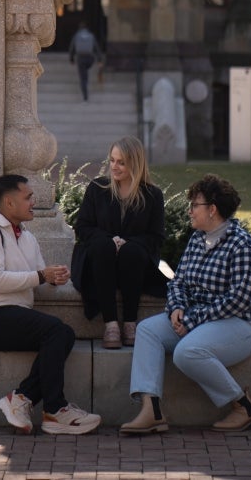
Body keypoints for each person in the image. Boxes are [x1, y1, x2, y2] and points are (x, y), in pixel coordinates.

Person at [120, 173, 251, 435]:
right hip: (197, 320)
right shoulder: (197, 239)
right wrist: (177, 308)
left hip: (240, 324)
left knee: (187, 352)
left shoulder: (242, 244)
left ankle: (244, 406)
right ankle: (152, 410)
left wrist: (192, 319)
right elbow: (179, 282)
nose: (189, 211)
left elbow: (239, 300)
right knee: (147, 330)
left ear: (212, 209)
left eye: (194, 205)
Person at [0, 173, 101, 435]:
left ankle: (22, 398)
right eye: (27, 197)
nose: (33, 201)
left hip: (15, 317)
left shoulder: (26, 236)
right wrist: (41, 276)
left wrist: (53, 277)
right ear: (8, 202)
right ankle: (55, 409)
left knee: (64, 335)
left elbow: (38, 274)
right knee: (57, 332)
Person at [72, 137, 167, 348]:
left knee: (131, 251)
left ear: (135, 163)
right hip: (99, 261)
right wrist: (110, 240)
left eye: (121, 162)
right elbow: (83, 227)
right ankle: (111, 324)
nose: (114, 167)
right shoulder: (97, 188)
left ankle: (130, 322)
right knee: (103, 246)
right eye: (112, 160)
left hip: (135, 264)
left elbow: (156, 237)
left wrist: (126, 243)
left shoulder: (152, 195)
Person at [68, 22, 103, 100]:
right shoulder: (91, 36)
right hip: (90, 58)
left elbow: (72, 48)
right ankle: (86, 74)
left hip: (80, 58)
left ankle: (85, 96)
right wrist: (99, 60)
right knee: (86, 70)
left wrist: (71, 59)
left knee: (83, 78)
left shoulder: (76, 36)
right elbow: (96, 48)